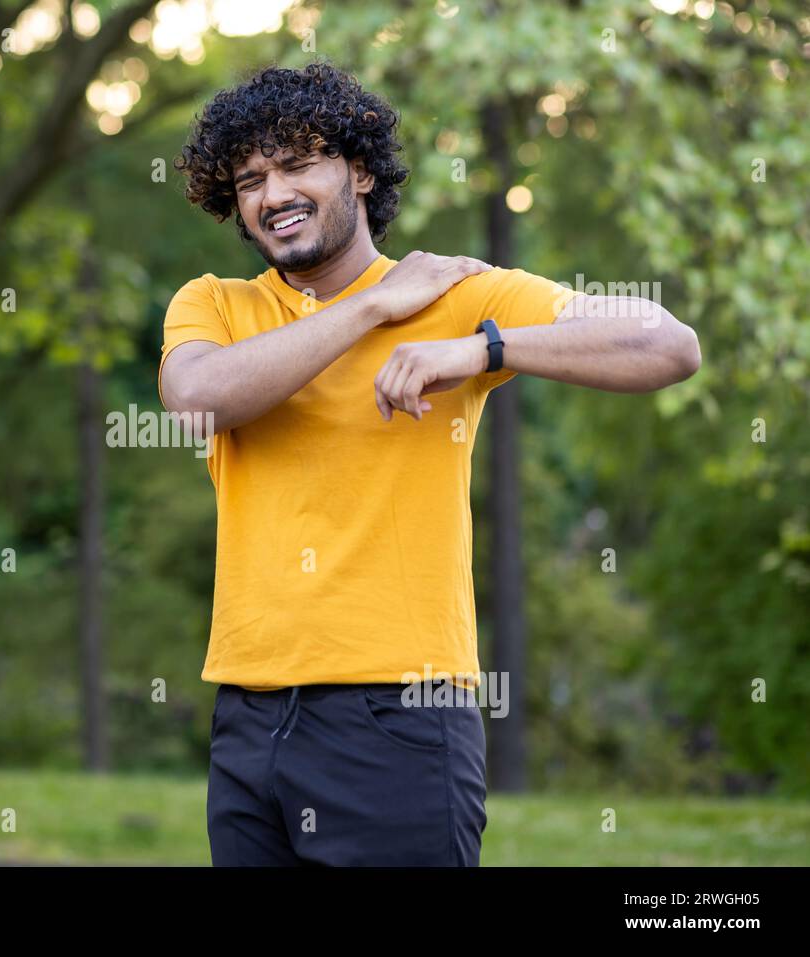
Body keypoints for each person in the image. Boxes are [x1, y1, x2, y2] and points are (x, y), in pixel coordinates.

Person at [160, 62, 701, 866]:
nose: (273, 195)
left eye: (298, 163)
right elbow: (197, 399)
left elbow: (666, 344)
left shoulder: (454, 296)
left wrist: (482, 348)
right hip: (248, 714)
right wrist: (373, 305)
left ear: (361, 170)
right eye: (250, 180)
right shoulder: (216, 306)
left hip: (399, 715)